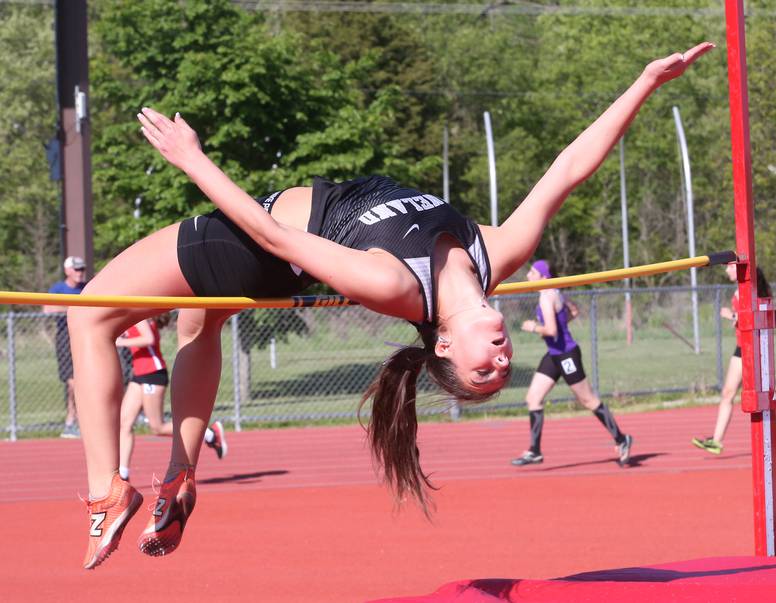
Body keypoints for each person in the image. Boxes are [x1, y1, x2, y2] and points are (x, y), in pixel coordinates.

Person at [66, 43, 714, 569]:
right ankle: (181, 477)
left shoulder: (395, 286)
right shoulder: (497, 251)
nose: (503, 357)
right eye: (503, 368)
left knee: (90, 312)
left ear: (442, 345)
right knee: (197, 323)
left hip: (258, 239)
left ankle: (107, 490)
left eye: (483, 371)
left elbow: (275, 239)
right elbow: (570, 167)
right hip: (277, 233)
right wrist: (646, 82)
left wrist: (192, 159)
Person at [511, 260, 632, 467]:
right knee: (533, 398)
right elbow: (573, 311)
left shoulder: (546, 297)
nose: (527, 276)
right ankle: (535, 451)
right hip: (554, 354)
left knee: (588, 400)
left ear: (543, 276)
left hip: (567, 355)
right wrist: (557, 323)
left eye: (532, 272)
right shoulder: (554, 292)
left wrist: (534, 327)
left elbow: (551, 331)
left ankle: (622, 440)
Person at [692, 263, 776, 454]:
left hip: (753, 348)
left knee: (768, 391)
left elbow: (756, 318)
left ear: (741, 269)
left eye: (730, 267)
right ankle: (716, 441)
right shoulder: (739, 291)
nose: (726, 271)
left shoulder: (752, 291)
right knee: (728, 392)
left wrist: (731, 315)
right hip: (741, 347)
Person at [116, 314, 228, 484]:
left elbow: (148, 338)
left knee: (157, 427)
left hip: (152, 374)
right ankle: (123, 476)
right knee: (124, 423)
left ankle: (209, 434)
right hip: (139, 375)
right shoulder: (131, 316)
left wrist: (121, 342)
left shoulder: (139, 317)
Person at [43, 256, 86, 438]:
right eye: (76, 269)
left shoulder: (87, 288)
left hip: (85, 337)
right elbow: (47, 309)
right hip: (65, 338)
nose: (80, 273)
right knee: (72, 382)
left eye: (82, 269)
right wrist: (74, 307)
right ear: (68, 271)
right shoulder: (59, 289)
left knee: (85, 381)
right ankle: (72, 420)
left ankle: (80, 420)